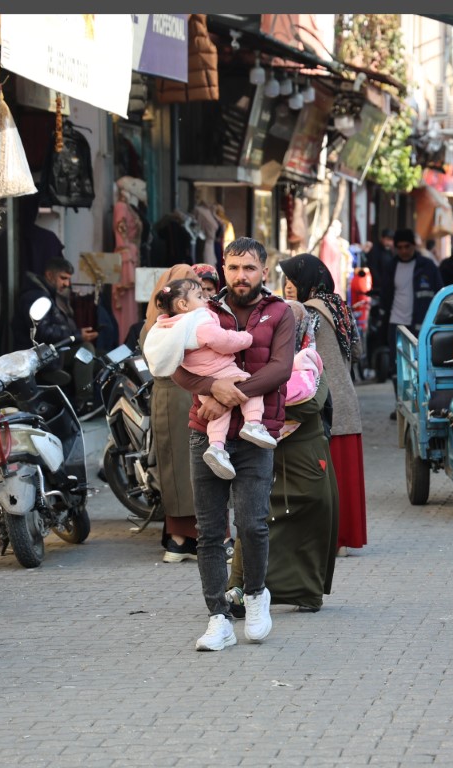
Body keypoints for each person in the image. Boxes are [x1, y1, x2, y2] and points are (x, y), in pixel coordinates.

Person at [171, 237, 295, 651]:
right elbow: (176, 367)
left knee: (252, 524)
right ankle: (217, 619)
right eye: (234, 267)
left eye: (250, 268)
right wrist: (214, 387)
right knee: (209, 532)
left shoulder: (280, 312)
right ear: (223, 268)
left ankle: (257, 595)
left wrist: (227, 394)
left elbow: (280, 370)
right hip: (204, 432)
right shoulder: (201, 309)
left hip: (257, 434)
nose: (241, 276)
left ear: (264, 270)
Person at [227, 301, 339, 613]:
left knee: (308, 526)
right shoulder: (253, 359)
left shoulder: (312, 361)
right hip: (261, 454)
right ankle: (240, 590)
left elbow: (310, 405)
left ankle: (305, 592)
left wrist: (263, 402)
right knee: (252, 522)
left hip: (304, 462)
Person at [279, 253, 368, 556]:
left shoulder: (302, 312)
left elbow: (289, 354)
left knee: (323, 475)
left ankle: (328, 539)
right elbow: (358, 351)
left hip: (320, 400)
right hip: (346, 399)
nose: (288, 286)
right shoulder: (339, 306)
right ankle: (344, 538)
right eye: (286, 280)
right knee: (345, 473)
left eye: (294, 280)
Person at [145, 278, 277, 479]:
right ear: (183, 305)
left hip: (202, 383)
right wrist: (245, 338)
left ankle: (216, 448)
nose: (205, 299)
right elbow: (223, 341)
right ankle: (253, 423)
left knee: (218, 416)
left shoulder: (168, 328)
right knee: (248, 384)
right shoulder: (198, 321)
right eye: (199, 296)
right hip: (221, 370)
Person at [139, 264, 202, 563]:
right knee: (199, 466)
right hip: (191, 395)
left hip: (164, 398)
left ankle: (177, 540)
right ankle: (204, 538)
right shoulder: (191, 320)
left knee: (172, 468)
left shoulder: (153, 322)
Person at [14, 256, 99, 413]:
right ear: (49, 275)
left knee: (101, 357)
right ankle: (84, 404)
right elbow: (42, 332)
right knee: (85, 349)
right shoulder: (37, 296)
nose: (67, 284)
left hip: (51, 351)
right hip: (39, 355)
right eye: (63, 278)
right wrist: (77, 336)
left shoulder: (47, 294)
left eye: (68, 279)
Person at [377, 228, 444, 411]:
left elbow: (440, 292)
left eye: (407, 246)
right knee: (397, 367)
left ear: (414, 246)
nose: (404, 251)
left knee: (420, 365)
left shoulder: (427, 266)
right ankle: (401, 404)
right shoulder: (391, 266)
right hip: (396, 323)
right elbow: (385, 296)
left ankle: (419, 404)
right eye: (400, 247)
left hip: (420, 325)